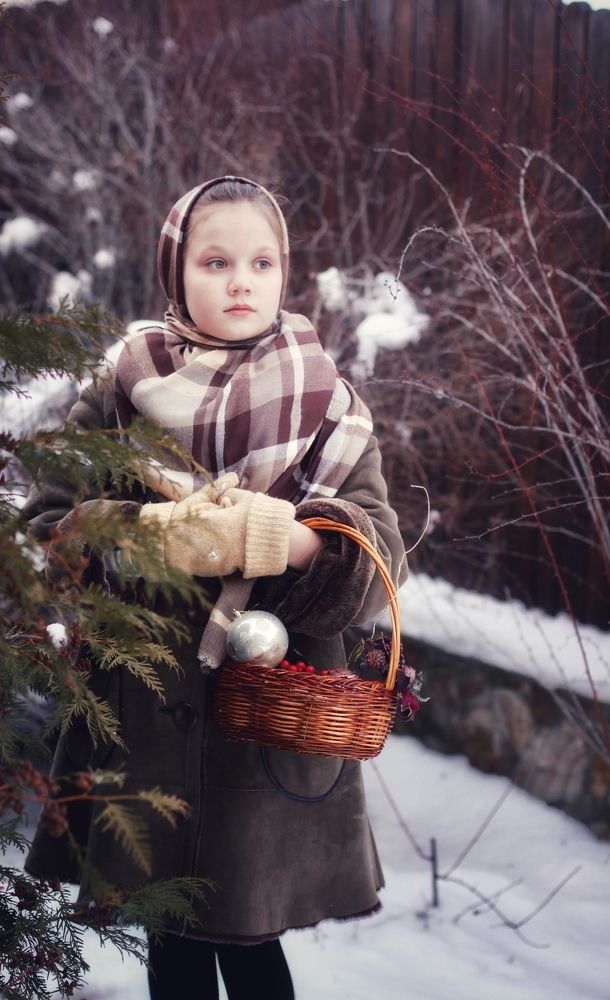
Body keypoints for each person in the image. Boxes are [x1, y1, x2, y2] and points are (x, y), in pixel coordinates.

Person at [23, 176, 407, 999]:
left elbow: (382, 555)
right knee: (172, 935)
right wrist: (153, 535)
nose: (241, 281)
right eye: (216, 259)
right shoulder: (124, 385)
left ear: (284, 273)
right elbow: (46, 522)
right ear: (176, 273)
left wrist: (284, 538)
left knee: (250, 940)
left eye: (261, 262)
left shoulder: (324, 396)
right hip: (147, 708)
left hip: (264, 715)